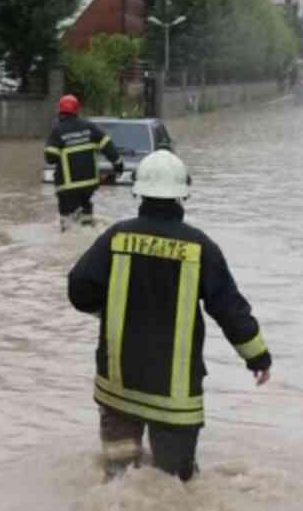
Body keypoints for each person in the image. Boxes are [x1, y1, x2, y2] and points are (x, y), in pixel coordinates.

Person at [67, 150, 273, 482]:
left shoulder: (115, 238)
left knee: (118, 483)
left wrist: (103, 311)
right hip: (174, 401)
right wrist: (257, 356)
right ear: (182, 193)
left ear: (139, 191)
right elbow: (229, 308)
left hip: (118, 390)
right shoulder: (200, 247)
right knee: (175, 487)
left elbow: (78, 289)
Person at [44, 94, 122, 230]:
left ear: (60, 112)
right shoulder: (89, 127)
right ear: (77, 110)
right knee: (86, 218)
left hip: (67, 188)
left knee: (68, 224)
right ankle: (87, 228)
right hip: (88, 185)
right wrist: (118, 164)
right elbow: (108, 146)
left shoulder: (57, 131)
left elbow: (50, 158)